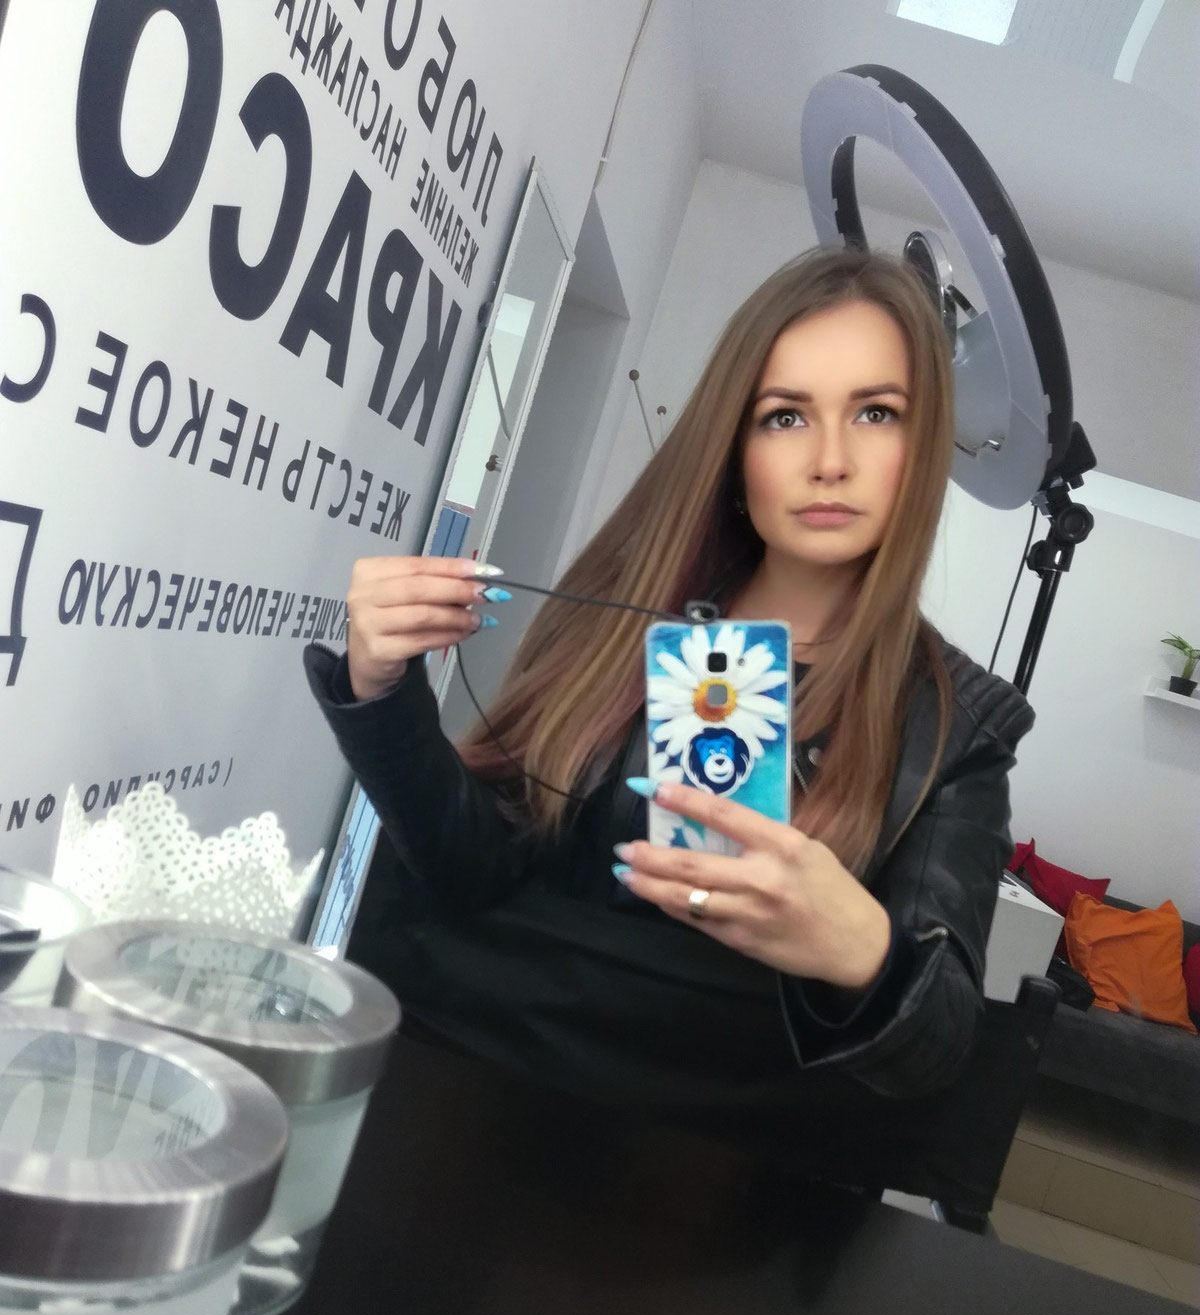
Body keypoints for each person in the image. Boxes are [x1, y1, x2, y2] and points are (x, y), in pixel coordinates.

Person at [304, 245, 1034, 1172]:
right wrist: (382, 690)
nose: (831, 462)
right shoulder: (620, 614)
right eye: (785, 416)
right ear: (735, 447)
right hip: (462, 1113)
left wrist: (862, 951)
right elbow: (469, 867)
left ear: (921, 450)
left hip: (710, 1196)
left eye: (876, 413)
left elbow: (938, 1046)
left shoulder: (959, 728)